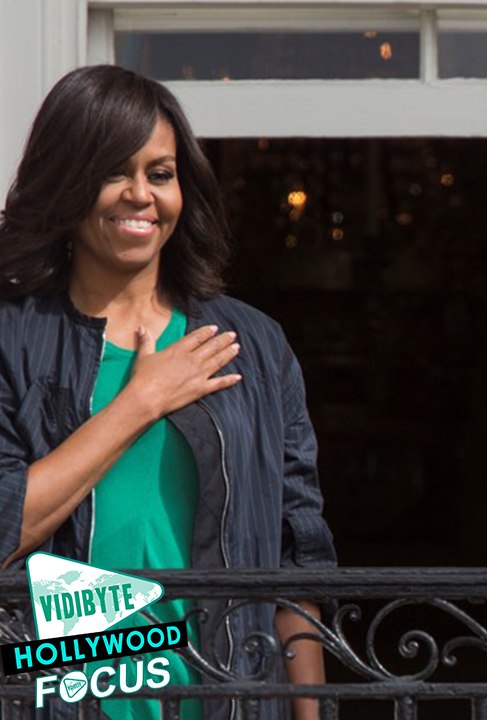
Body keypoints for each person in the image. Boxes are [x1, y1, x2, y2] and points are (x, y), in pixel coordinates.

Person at [0, 65, 336, 720]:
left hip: (227, 698)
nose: (140, 196)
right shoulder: (13, 340)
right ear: (65, 183)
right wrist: (139, 402)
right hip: (61, 702)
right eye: (112, 172)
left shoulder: (254, 346)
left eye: (160, 173)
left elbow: (299, 559)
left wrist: (309, 713)